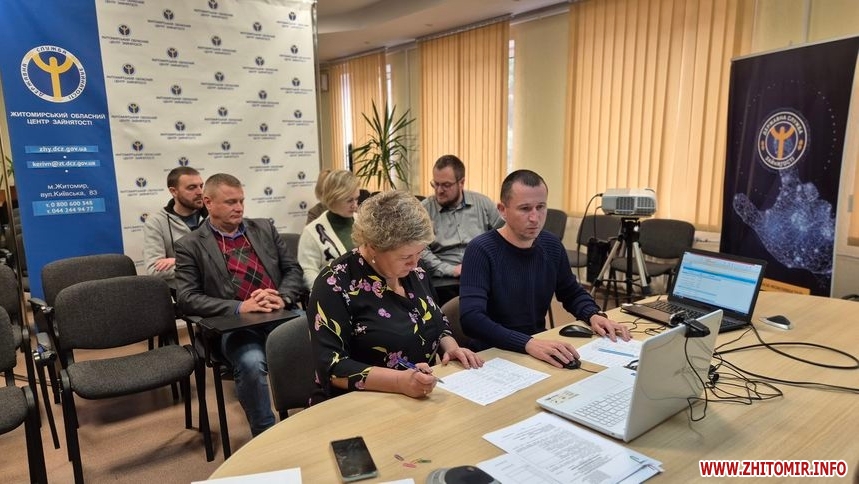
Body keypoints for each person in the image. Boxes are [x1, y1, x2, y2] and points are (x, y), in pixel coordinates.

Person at [308, 190, 483, 402]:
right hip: (358, 402)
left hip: (419, 394)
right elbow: (332, 367)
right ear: (373, 247)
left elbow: (435, 318)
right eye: (405, 256)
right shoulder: (334, 283)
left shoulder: (415, 270)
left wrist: (451, 346)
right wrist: (399, 382)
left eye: (420, 253)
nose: (415, 264)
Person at [175, 173, 304, 437]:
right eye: (230, 202)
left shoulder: (264, 228)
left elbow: (293, 270)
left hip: (279, 312)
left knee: (321, 339)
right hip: (236, 325)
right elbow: (187, 298)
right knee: (251, 363)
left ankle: (318, 415)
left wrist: (283, 297)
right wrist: (239, 307)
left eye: (241, 201)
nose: (239, 207)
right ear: (208, 202)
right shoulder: (190, 245)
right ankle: (266, 435)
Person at [459, 169, 630, 368]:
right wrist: (527, 343)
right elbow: (472, 319)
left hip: (538, 346)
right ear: (502, 210)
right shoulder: (480, 250)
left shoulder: (551, 245)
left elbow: (571, 292)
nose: (535, 218)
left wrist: (593, 314)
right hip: (492, 354)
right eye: (525, 209)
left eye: (540, 207)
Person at [421, 155, 502, 303]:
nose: (439, 190)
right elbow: (421, 250)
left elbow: (503, 235)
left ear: (461, 182)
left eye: (446, 185)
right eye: (435, 184)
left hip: (482, 272)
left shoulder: (483, 204)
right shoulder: (424, 210)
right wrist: (450, 270)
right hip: (444, 280)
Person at [143, 166, 207, 293]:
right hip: (182, 293)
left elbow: (226, 259)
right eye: (192, 187)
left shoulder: (214, 216)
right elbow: (153, 270)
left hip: (217, 289)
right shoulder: (156, 222)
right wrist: (202, 264)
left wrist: (178, 262)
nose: (200, 192)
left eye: (201, 186)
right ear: (173, 191)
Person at [297, 169, 360, 289]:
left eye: (356, 199)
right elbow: (308, 272)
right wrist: (328, 294)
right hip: (333, 294)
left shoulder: (362, 222)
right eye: (349, 200)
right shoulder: (312, 232)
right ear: (333, 199)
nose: (355, 205)